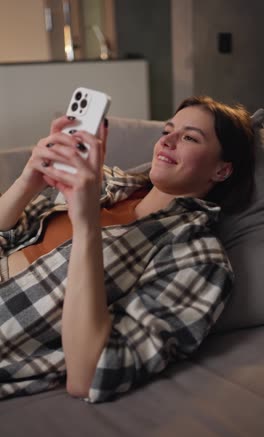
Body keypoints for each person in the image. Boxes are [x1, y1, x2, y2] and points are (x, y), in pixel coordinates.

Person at [0, 96, 255, 402]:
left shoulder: (196, 257)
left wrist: (87, 225)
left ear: (222, 170)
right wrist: (29, 179)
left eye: (189, 137)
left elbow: (90, 374)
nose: (168, 141)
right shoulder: (105, 182)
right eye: (167, 131)